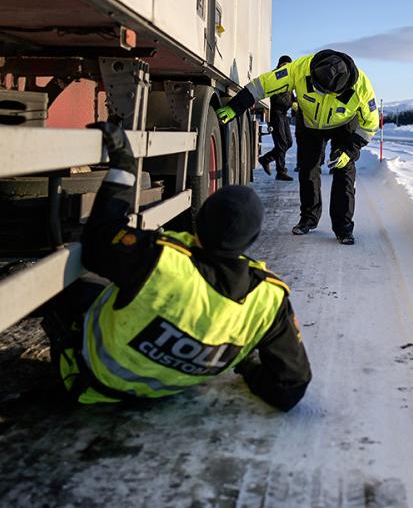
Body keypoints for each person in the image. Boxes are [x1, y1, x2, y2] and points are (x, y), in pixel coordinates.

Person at [43, 122, 312, 410]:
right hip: (164, 391)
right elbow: (290, 389)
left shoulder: (158, 260)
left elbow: (98, 241)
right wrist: (247, 367)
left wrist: (125, 166)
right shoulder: (269, 301)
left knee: (69, 288)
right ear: (252, 239)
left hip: (92, 382)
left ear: (200, 219)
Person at [215, 49, 378, 245]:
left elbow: (370, 124)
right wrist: (236, 106)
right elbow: (264, 84)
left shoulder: (362, 88)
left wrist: (350, 150)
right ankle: (309, 219)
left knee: (344, 172)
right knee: (308, 169)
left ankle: (343, 228)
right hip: (309, 125)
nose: (318, 93)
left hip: (344, 127)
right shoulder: (300, 68)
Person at [258, 55, 296, 181]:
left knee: (288, 142)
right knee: (281, 144)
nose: (286, 67)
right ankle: (280, 171)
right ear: (280, 64)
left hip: (284, 114)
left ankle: (266, 159)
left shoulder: (289, 78)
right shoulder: (275, 76)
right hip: (275, 113)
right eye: (284, 64)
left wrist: (295, 102)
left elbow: (291, 96)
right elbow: (274, 97)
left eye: (288, 65)